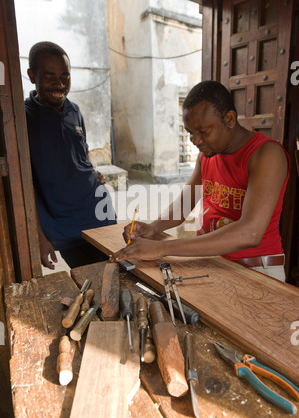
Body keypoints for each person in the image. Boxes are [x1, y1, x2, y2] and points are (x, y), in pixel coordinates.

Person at [110, 81, 289, 282]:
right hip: (213, 262)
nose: (195, 141)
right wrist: (153, 228)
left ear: (229, 119)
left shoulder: (266, 154)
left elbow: (250, 232)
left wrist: (162, 247)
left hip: (257, 269)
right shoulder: (207, 156)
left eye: (203, 131)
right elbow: (185, 205)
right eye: (190, 133)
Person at [25, 41, 116, 270]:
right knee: (91, 281)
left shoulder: (73, 110)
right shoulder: (23, 119)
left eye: (65, 76)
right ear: (31, 75)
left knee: (117, 273)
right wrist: (39, 236)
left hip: (100, 214)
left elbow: (82, 152)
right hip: (64, 227)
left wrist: (92, 171)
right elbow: (24, 185)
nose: (60, 84)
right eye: (50, 77)